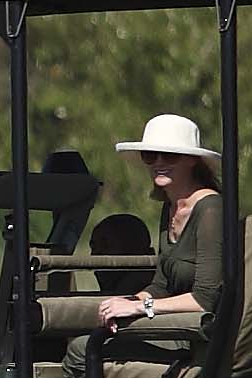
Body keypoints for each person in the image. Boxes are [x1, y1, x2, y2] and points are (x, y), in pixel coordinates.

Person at [44, 114, 223, 349]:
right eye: (149, 156)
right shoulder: (171, 207)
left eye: (169, 155)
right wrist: (126, 301)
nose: (159, 162)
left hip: (200, 336)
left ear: (192, 160)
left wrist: (140, 308)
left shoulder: (212, 209)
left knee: (82, 351)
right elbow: (161, 286)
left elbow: (206, 300)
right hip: (177, 326)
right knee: (85, 342)